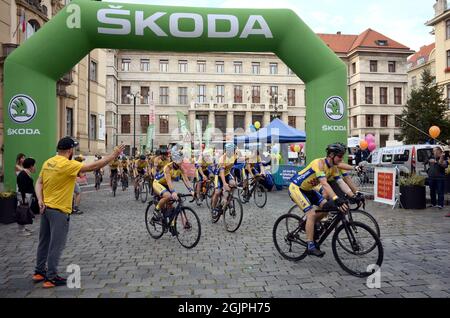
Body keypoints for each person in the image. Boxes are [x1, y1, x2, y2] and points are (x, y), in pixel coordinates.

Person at [33, 137, 124, 288]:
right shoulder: (68, 165)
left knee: (43, 242)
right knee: (56, 245)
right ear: (69, 151)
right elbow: (94, 166)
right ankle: (51, 277)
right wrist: (114, 155)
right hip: (59, 211)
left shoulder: (48, 162)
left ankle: (39, 272)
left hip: (46, 209)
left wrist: (39, 199)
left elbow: (39, 182)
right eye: (73, 149)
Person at [288, 143, 350, 257]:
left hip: (308, 189)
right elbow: (324, 184)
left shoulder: (333, 167)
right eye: (340, 156)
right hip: (296, 188)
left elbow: (341, 182)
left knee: (325, 208)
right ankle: (310, 245)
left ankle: (309, 226)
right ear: (331, 155)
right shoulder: (319, 163)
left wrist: (352, 195)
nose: (341, 159)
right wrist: (336, 199)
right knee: (311, 213)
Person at [152, 149, 195, 233]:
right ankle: (156, 210)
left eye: (181, 159)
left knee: (173, 205)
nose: (181, 162)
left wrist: (191, 190)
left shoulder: (181, 168)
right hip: (158, 183)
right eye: (179, 160)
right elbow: (168, 181)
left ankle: (172, 225)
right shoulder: (167, 167)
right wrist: (173, 192)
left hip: (167, 185)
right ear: (175, 160)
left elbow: (186, 180)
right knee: (168, 196)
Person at [211, 143, 239, 218]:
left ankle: (228, 201)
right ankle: (213, 208)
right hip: (219, 175)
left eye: (232, 151)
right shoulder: (222, 159)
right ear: (226, 151)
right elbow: (222, 173)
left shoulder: (235, 155)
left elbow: (242, 156)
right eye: (228, 151)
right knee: (217, 192)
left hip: (227, 174)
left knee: (234, 184)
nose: (230, 153)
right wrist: (224, 184)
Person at [16, 158, 37, 236]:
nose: (35, 167)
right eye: (34, 165)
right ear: (30, 166)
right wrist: (23, 199)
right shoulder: (23, 174)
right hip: (24, 196)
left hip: (27, 195)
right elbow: (22, 188)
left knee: (25, 212)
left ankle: (23, 228)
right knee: (22, 212)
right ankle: (21, 230)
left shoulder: (26, 173)